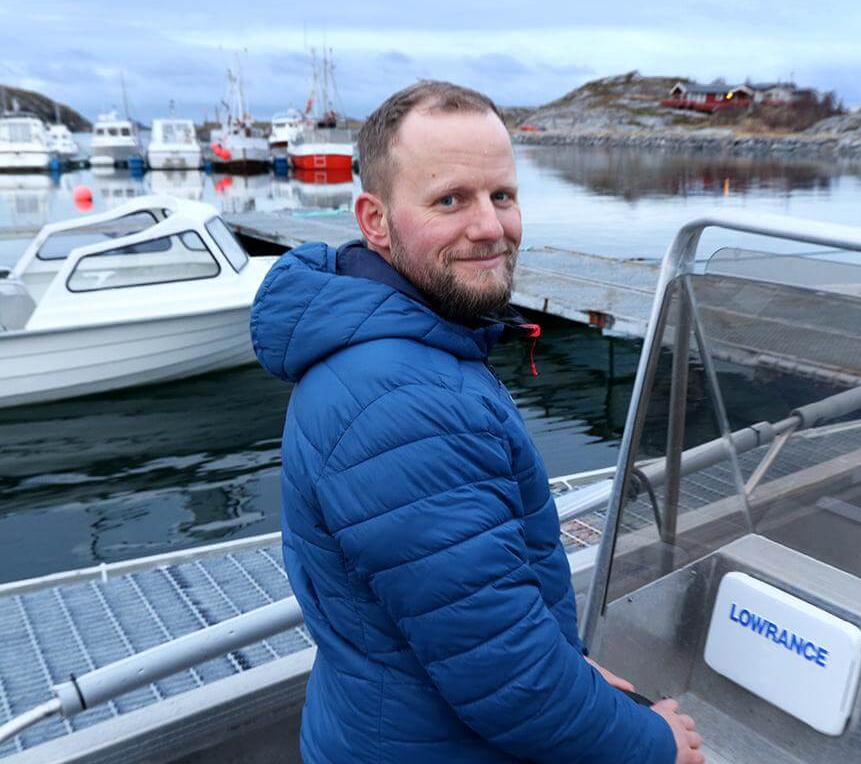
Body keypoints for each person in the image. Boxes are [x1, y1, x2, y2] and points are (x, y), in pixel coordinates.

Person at [250, 80, 704, 764]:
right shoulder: (403, 404)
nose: (490, 226)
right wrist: (655, 746)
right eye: (449, 200)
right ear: (375, 221)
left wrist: (572, 669)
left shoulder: (403, 347)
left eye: (503, 195)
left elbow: (471, 625)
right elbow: (510, 679)